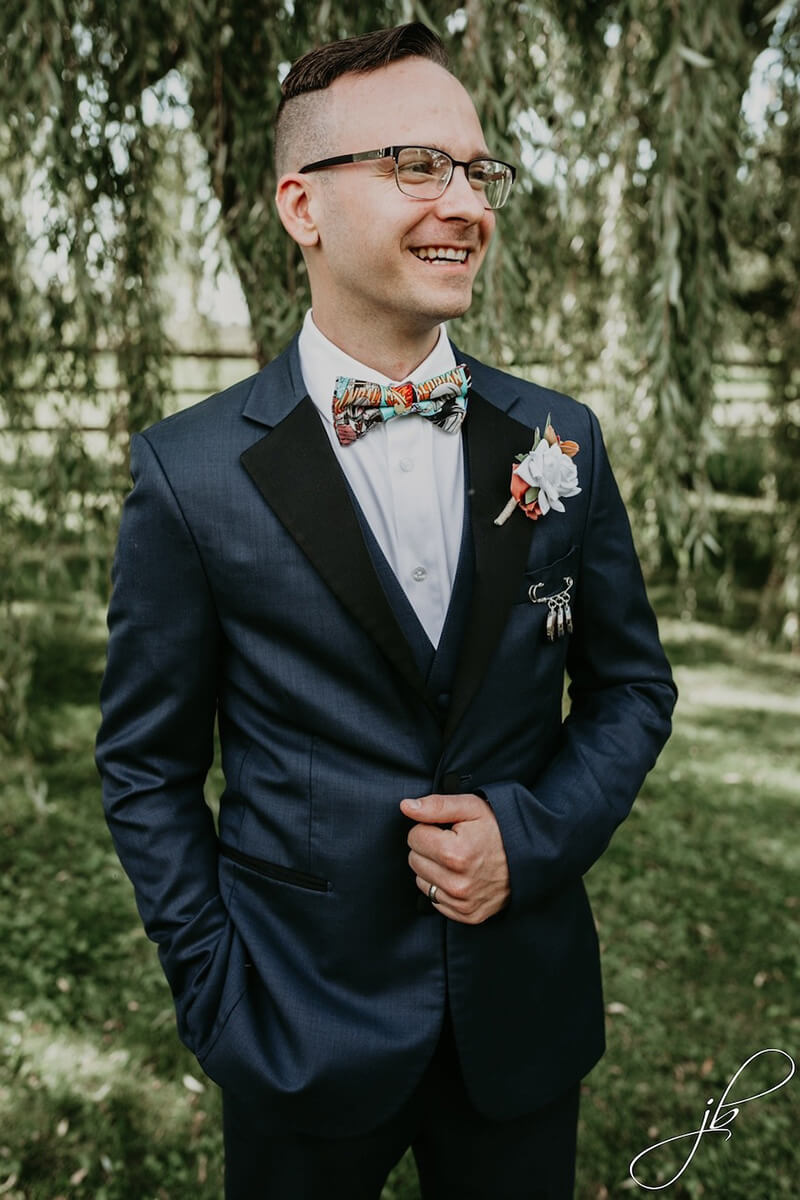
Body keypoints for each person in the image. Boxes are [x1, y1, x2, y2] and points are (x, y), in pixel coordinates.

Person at [96, 22, 676, 1200]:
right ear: (301, 207)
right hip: (294, 1024)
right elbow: (146, 767)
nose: (464, 203)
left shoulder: (557, 438)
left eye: (476, 170)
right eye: (416, 166)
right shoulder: (190, 473)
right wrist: (214, 989)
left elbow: (629, 687)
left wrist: (530, 836)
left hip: (519, 1021)